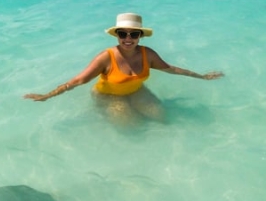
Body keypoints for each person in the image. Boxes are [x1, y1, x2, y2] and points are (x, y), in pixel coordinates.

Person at [23, 13, 223, 121]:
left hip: (137, 91)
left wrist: (202, 76)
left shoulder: (148, 54)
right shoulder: (105, 58)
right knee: (130, 127)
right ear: (117, 35)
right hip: (107, 96)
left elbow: (171, 69)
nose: (128, 38)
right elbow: (78, 81)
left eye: (133, 34)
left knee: (161, 117)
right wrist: (47, 96)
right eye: (123, 34)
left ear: (140, 36)